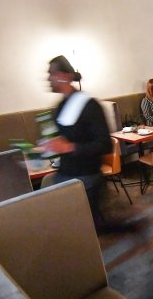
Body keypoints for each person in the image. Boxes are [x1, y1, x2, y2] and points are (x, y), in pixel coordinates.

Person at [43, 55, 112, 221]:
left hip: (86, 178)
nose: (48, 78)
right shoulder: (59, 107)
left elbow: (105, 145)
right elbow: (62, 139)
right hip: (65, 173)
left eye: (52, 73)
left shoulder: (89, 105)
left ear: (65, 76)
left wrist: (70, 147)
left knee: (87, 228)